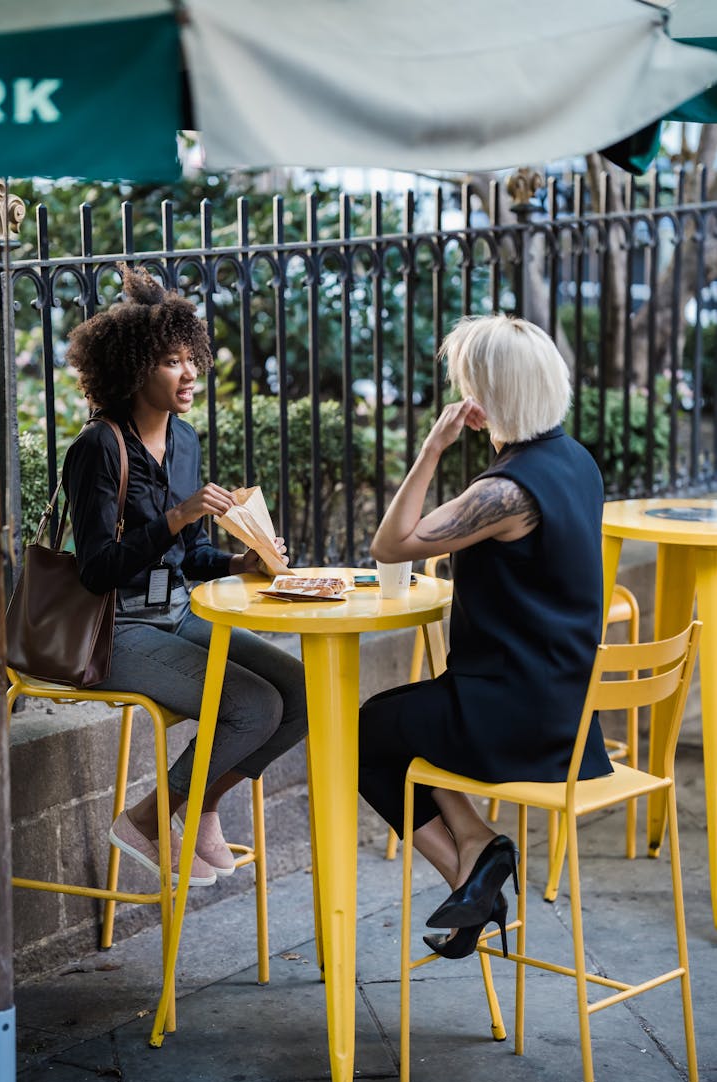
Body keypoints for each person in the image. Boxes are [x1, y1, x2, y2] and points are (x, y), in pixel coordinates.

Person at [358, 314, 612, 958]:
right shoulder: (574, 461)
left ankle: (470, 860)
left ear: (484, 395)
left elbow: (390, 545)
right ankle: (475, 851)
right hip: (565, 711)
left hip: (513, 717)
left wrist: (432, 448)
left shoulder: (504, 492)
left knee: (362, 733)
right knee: (404, 720)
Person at [62, 265, 308, 887]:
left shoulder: (187, 440)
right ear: (134, 368)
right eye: (172, 361)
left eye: (190, 358)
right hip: (113, 631)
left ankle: (198, 804)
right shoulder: (99, 449)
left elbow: (191, 556)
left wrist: (239, 562)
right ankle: (148, 817)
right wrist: (175, 517)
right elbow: (95, 572)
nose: (190, 372)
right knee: (252, 706)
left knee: (303, 695)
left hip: (178, 613)